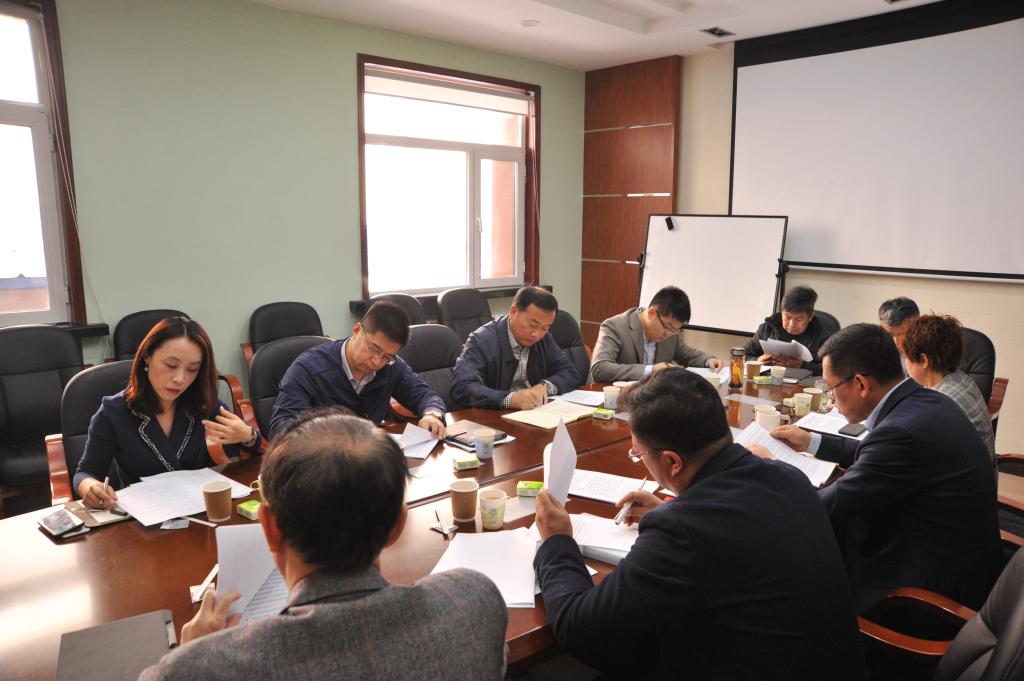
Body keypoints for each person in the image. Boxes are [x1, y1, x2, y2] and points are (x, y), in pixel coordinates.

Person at [532, 368, 864, 680]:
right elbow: (734, 533)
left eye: (638, 455)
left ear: (672, 462)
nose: (640, 461)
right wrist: (671, 510)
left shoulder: (683, 530)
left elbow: (579, 628)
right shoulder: (787, 476)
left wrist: (557, 541)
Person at [139, 408, 508, 680]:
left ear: (269, 529)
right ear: (398, 526)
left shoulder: (196, 669)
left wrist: (192, 652)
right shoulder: (474, 600)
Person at [768, 324, 1002, 611]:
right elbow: (876, 454)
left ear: (861, 384)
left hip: (925, 596)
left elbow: (823, 508)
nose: (831, 399)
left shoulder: (901, 433)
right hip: (954, 556)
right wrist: (811, 441)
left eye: (831, 388)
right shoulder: (928, 400)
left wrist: (770, 470)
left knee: (789, 565)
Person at [75, 317, 261, 509]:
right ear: (147, 356)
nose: (180, 379)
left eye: (192, 370)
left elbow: (252, 447)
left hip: (199, 510)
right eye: (171, 365)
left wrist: (248, 436)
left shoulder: (203, 403)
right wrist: (90, 486)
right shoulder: (114, 412)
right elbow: (85, 473)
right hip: (145, 515)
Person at [270, 301, 446, 438]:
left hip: (370, 460)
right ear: (356, 330)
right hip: (323, 462)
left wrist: (432, 415)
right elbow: (281, 428)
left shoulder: (392, 366)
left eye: (387, 356)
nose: (377, 361)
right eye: (374, 349)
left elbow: (425, 396)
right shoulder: (308, 369)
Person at [450, 286, 580, 409]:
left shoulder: (543, 338)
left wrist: (544, 386)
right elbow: (462, 387)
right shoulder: (481, 340)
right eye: (532, 325)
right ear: (513, 312)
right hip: (492, 417)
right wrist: (511, 399)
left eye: (545, 328)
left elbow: (570, 372)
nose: (537, 334)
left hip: (534, 413)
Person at [902, 314, 996, 464]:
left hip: (965, 477)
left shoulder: (941, 403)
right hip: (979, 471)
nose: (905, 362)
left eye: (906, 356)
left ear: (924, 360)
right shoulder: (959, 377)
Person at [589, 285, 722, 383]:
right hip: (618, 400)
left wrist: (708, 360)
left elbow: (688, 354)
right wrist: (651, 370)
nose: (669, 334)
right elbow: (599, 368)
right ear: (652, 313)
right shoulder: (615, 326)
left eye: (675, 330)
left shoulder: (670, 334)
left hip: (653, 400)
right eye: (667, 327)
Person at [743, 285, 835, 375]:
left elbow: (835, 368)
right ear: (781, 313)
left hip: (806, 383)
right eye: (787, 317)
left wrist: (804, 365)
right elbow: (743, 355)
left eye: (798, 319)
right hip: (770, 380)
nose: (791, 324)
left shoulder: (824, 335)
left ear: (810, 316)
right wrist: (757, 361)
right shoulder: (768, 328)